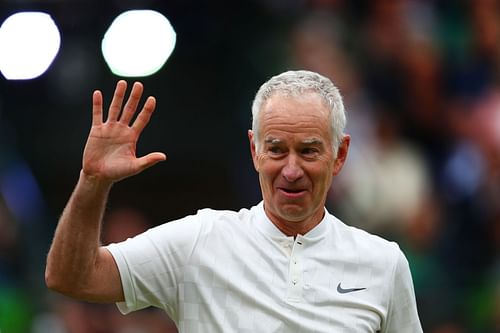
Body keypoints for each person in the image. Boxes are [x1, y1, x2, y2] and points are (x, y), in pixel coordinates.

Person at [45, 70, 422, 332]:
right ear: (254, 150)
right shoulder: (200, 241)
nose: (291, 170)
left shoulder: (383, 264)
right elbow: (70, 277)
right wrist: (92, 182)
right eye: (276, 150)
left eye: (308, 151)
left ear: (340, 155)